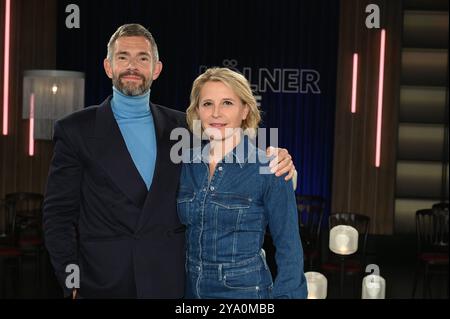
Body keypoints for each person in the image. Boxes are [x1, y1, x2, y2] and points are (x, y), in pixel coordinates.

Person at [43, 24, 296, 299]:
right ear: (108, 66)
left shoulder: (182, 129)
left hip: (170, 282)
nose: (132, 66)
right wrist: (72, 281)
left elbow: (234, 152)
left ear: (156, 69)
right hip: (103, 282)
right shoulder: (75, 129)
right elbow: (58, 215)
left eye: (143, 58)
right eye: (123, 57)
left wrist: (281, 161)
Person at [178, 67, 307, 299]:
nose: (216, 113)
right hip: (190, 292)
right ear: (197, 111)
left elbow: (290, 250)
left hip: (244, 294)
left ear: (245, 110)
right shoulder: (186, 166)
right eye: (207, 104)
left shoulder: (270, 167)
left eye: (227, 103)